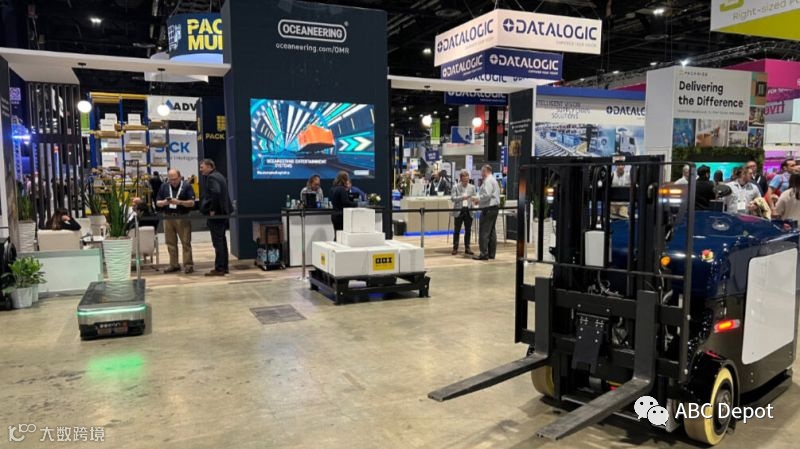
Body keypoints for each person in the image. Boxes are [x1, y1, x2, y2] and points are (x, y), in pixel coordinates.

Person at [156, 169, 195, 274]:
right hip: (167, 217)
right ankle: (174, 264)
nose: (173, 181)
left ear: (180, 177)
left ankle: (188, 264)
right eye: (170, 179)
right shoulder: (164, 186)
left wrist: (179, 202)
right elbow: (157, 202)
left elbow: (192, 203)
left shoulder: (186, 186)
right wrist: (164, 202)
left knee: (185, 242)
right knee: (170, 242)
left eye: (175, 179)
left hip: (182, 217)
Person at [199, 159, 232, 277]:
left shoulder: (211, 177)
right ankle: (224, 267)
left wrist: (213, 209)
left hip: (217, 215)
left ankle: (220, 268)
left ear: (209, 166)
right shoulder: (219, 175)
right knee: (221, 241)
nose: (200, 170)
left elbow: (216, 193)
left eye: (202, 167)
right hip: (223, 213)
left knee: (218, 242)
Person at [473, 165, 500, 261]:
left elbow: (487, 195)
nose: (481, 173)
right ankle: (491, 254)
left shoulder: (488, 181)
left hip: (488, 208)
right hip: (494, 208)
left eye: (482, 171)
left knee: (484, 231)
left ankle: (484, 253)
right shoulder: (493, 180)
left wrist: (478, 199)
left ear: (485, 171)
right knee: (491, 231)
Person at [451, 169, 476, 256]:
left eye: (467, 179)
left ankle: (467, 247)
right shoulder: (455, 187)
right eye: (464, 179)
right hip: (459, 210)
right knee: (457, 230)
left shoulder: (472, 187)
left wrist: (475, 201)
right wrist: (462, 197)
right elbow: (453, 198)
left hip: (468, 210)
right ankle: (455, 247)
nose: (466, 180)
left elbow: (474, 198)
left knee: (468, 230)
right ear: (461, 178)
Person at [330, 171, 358, 236]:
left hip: (334, 215)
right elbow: (346, 202)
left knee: (337, 235)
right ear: (344, 179)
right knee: (342, 237)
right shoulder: (342, 189)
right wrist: (356, 204)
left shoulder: (333, 189)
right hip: (341, 216)